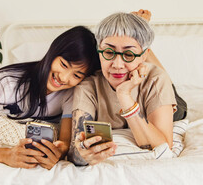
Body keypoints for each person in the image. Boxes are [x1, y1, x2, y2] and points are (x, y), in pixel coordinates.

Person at [0, 26, 100, 170]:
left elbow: (64, 143)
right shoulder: (6, 82)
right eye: (63, 64)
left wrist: (59, 153)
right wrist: (5, 155)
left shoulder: (72, 92)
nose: (63, 77)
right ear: (53, 52)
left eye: (76, 75)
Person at [68, 10, 187, 166]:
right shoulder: (87, 87)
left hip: (169, 103)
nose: (117, 65)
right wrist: (82, 152)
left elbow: (163, 146)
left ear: (144, 56)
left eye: (129, 54)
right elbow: (76, 149)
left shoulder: (156, 79)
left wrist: (124, 95)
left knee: (164, 83)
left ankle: (139, 31)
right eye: (109, 52)